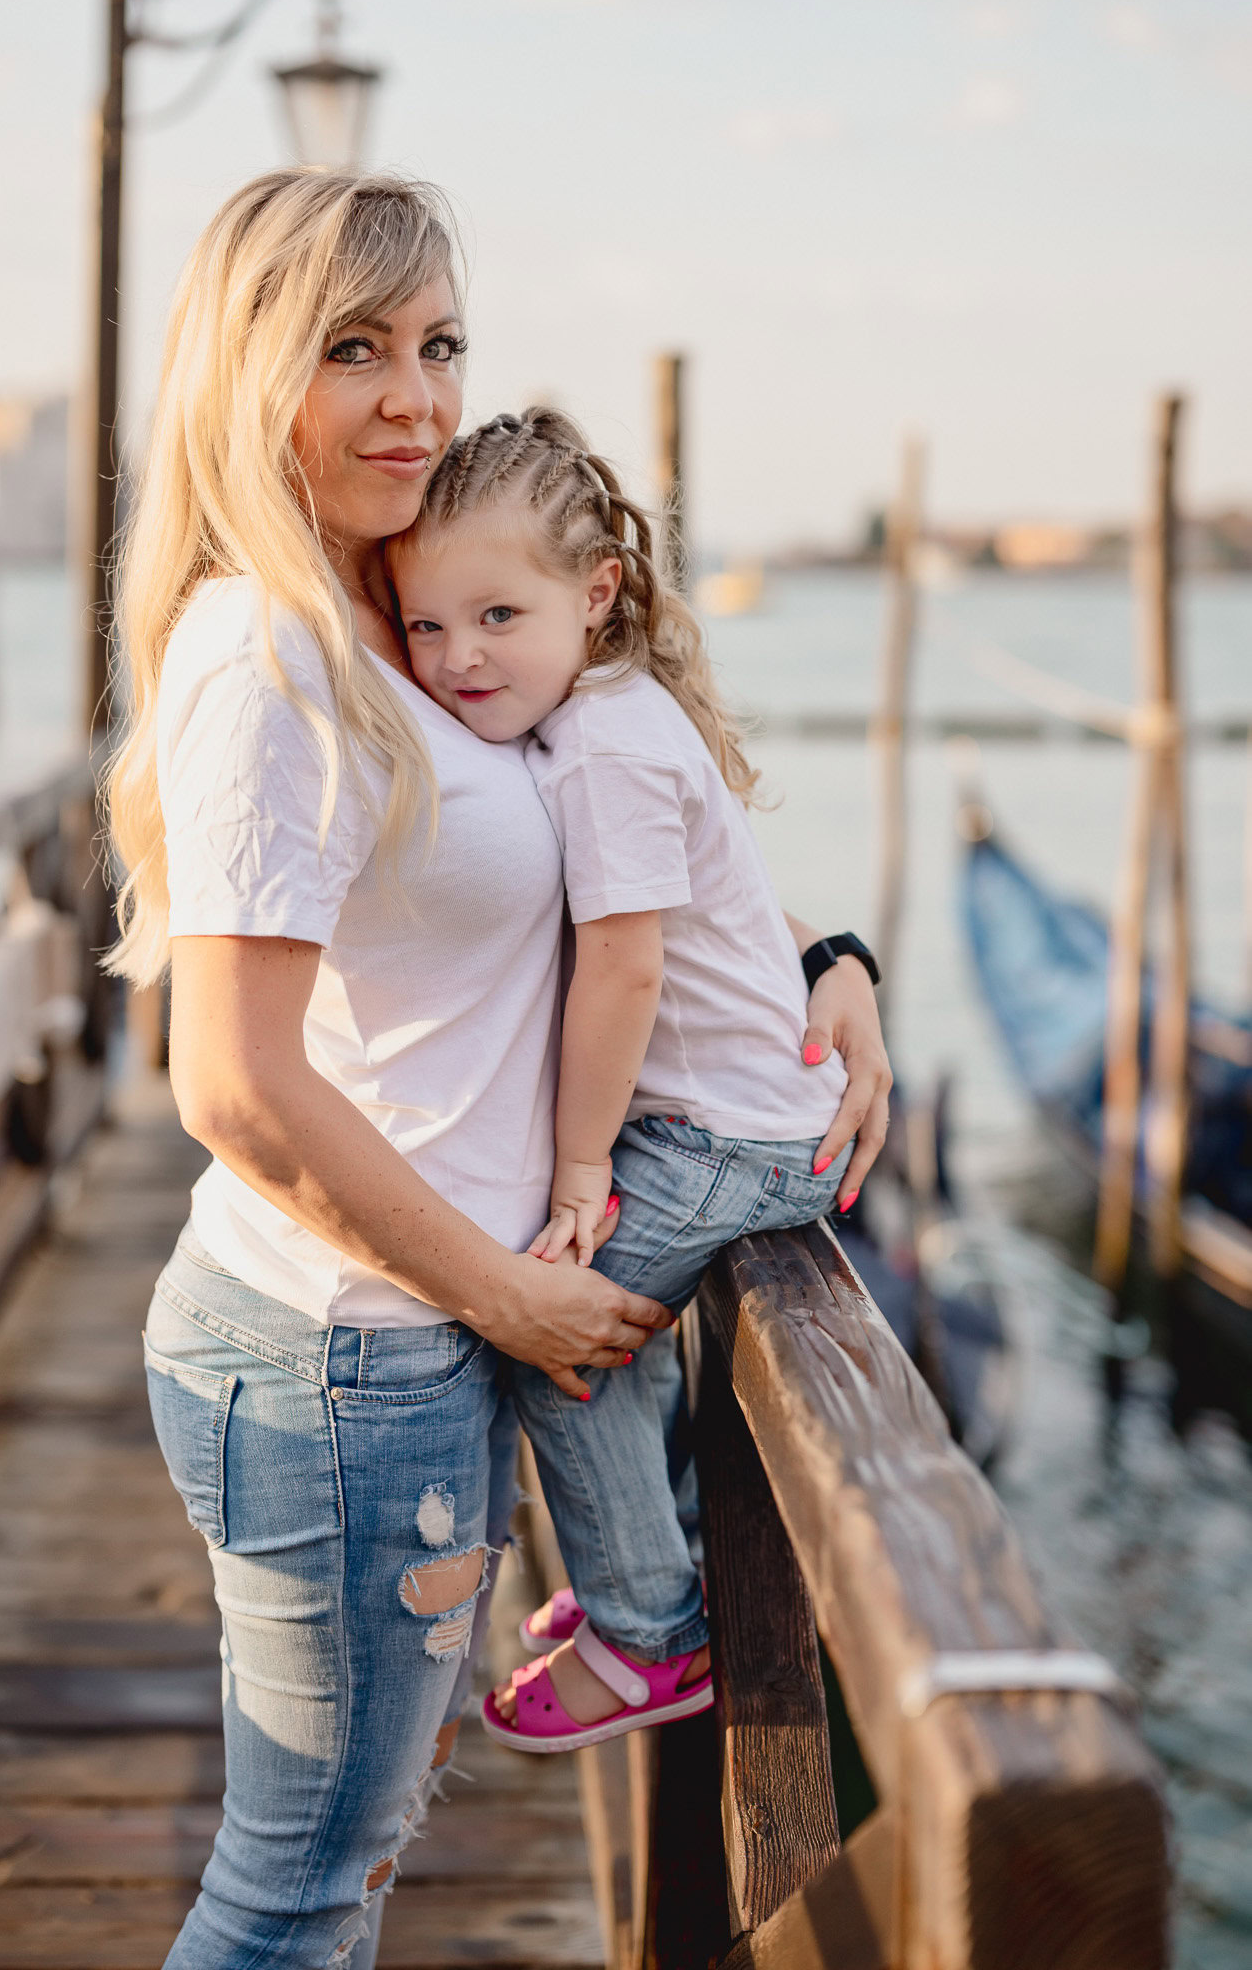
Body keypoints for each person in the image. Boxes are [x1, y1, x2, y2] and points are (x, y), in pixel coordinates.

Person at [106, 167, 890, 1966]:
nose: (415, 396)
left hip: (379, 1346)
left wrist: (824, 964)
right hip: (344, 1354)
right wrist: (508, 1298)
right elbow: (225, 1080)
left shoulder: (400, 613)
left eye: (439, 344)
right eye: (352, 349)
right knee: (300, 1890)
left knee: (335, 1870)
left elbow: (599, 888)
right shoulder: (274, 660)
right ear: (242, 374)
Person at [390, 407, 880, 1751]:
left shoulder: (600, 746)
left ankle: (649, 1634)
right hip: (740, 1124)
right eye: (425, 628)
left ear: (594, 594)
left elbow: (624, 971)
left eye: (496, 615)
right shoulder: (598, 712)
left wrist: (579, 1169)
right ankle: (640, 1567)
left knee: (556, 1331)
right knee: (607, 1328)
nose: (455, 658)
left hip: (727, 1138)